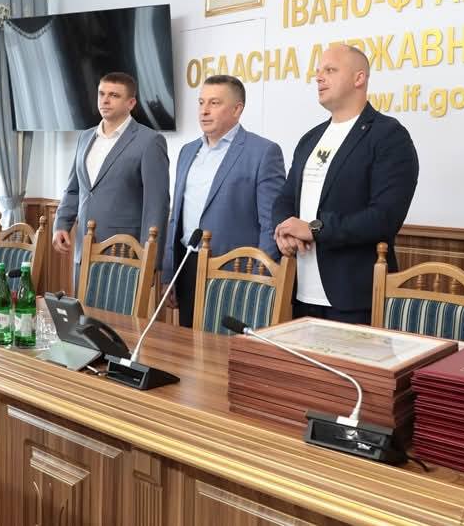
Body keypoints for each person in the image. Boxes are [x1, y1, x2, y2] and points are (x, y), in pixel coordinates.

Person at [272, 43, 418, 324]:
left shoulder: (388, 136)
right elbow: (285, 198)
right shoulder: (310, 139)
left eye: (330, 70)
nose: (319, 77)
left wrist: (314, 229)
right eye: (318, 71)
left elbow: (384, 217)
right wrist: (283, 230)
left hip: (354, 298)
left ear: (359, 78)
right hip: (300, 293)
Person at [163, 75, 285, 327]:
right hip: (188, 266)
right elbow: (176, 218)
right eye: (201, 102)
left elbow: (270, 224)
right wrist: (169, 273)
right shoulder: (187, 151)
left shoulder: (263, 152)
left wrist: (258, 280)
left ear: (237, 109)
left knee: (225, 347)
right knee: (188, 345)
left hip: (235, 272)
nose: (204, 111)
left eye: (214, 103)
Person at [52, 72, 170, 283]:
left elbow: (157, 204)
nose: (105, 100)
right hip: (83, 251)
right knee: (82, 306)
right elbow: (74, 189)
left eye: (114, 95)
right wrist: (62, 224)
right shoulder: (85, 137)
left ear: (131, 103)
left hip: (125, 255)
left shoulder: (150, 141)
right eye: (102, 94)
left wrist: (150, 259)